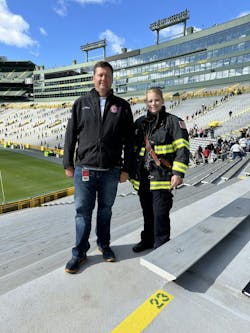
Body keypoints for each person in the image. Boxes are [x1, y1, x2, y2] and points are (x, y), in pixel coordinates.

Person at [63, 61, 134, 273]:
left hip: (111, 171)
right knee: (82, 212)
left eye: (107, 75)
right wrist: (68, 163)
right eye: (100, 75)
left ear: (112, 79)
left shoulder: (122, 106)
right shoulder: (81, 103)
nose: (103, 79)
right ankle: (80, 253)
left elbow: (129, 141)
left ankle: (104, 245)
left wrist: (126, 168)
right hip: (84, 169)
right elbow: (70, 135)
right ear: (94, 78)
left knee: (105, 211)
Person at [130, 87, 190, 252]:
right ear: (146, 103)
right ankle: (148, 240)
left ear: (162, 101)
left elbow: (182, 150)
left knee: (161, 215)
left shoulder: (174, 122)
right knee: (148, 214)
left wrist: (178, 173)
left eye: (156, 100)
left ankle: (162, 247)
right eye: (150, 100)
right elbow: (133, 149)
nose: (153, 103)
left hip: (163, 177)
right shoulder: (140, 123)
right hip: (143, 178)